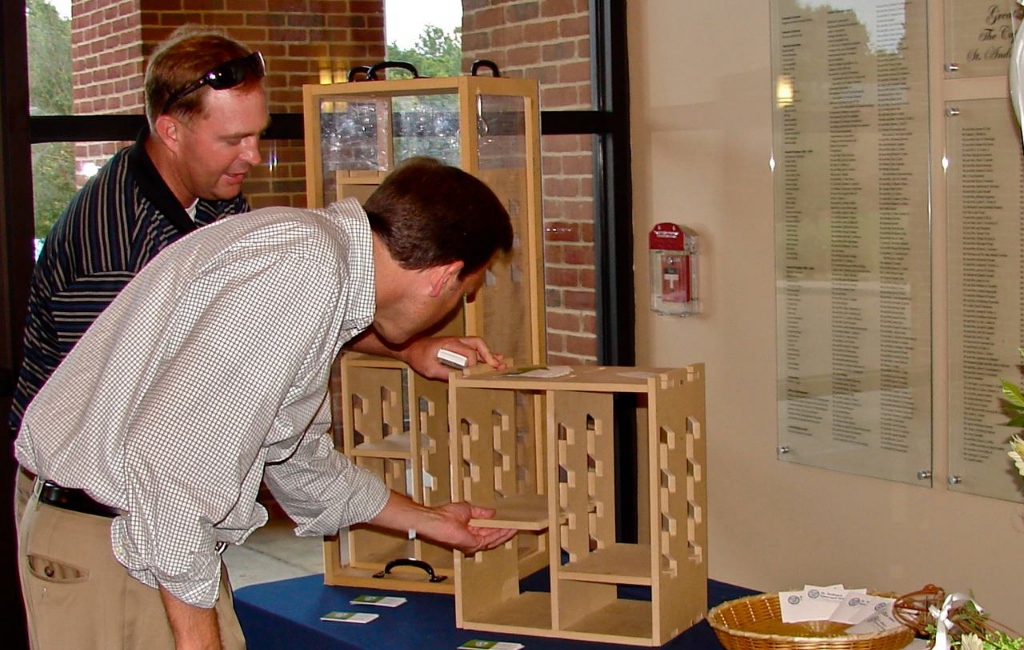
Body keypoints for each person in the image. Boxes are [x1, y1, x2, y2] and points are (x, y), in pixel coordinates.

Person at [15, 157, 518, 650]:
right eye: (465, 293)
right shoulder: (305, 269)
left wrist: (430, 520)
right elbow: (175, 471)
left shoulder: (318, 260)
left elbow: (298, 460)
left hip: (137, 537)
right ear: (442, 276)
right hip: (119, 539)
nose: (456, 308)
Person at [10, 26, 270, 519]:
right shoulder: (114, 245)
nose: (252, 156)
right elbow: (114, 417)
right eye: (234, 139)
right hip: (86, 504)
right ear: (170, 131)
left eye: (257, 134)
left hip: (146, 487)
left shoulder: (212, 196)